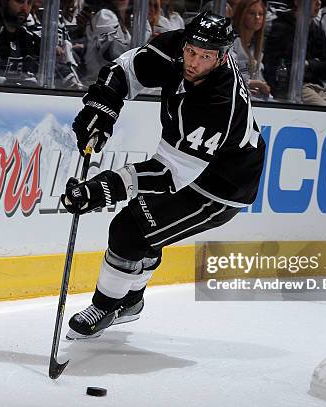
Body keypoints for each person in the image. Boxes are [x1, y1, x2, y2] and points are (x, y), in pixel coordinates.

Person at [60, 12, 266, 340]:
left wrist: (102, 188)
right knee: (144, 226)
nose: (193, 62)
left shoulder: (217, 101)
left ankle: (107, 304)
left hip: (222, 185)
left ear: (223, 56)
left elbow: (169, 174)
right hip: (192, 165)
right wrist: (102, 107)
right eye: (191, 51)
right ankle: (130, 300)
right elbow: (128, 69)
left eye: (205, 57)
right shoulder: (177, 47)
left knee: (130, 228)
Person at [263, 0, 326, 106]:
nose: (318, 3)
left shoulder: (317, 30)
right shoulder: (281, 27)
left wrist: (308, 64)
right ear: (297, 2)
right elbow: (281, 66)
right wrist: (316, 64)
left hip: (319, 86)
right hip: (293, 87)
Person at [231, 0, 272, 100]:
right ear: (242, 15)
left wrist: (264, 86)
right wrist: (250, 83)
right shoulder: (232, 41)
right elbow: (226, 75)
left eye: (261, 14)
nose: (257, 17)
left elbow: (258, 77)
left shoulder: (258, 46)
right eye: (252, 13)